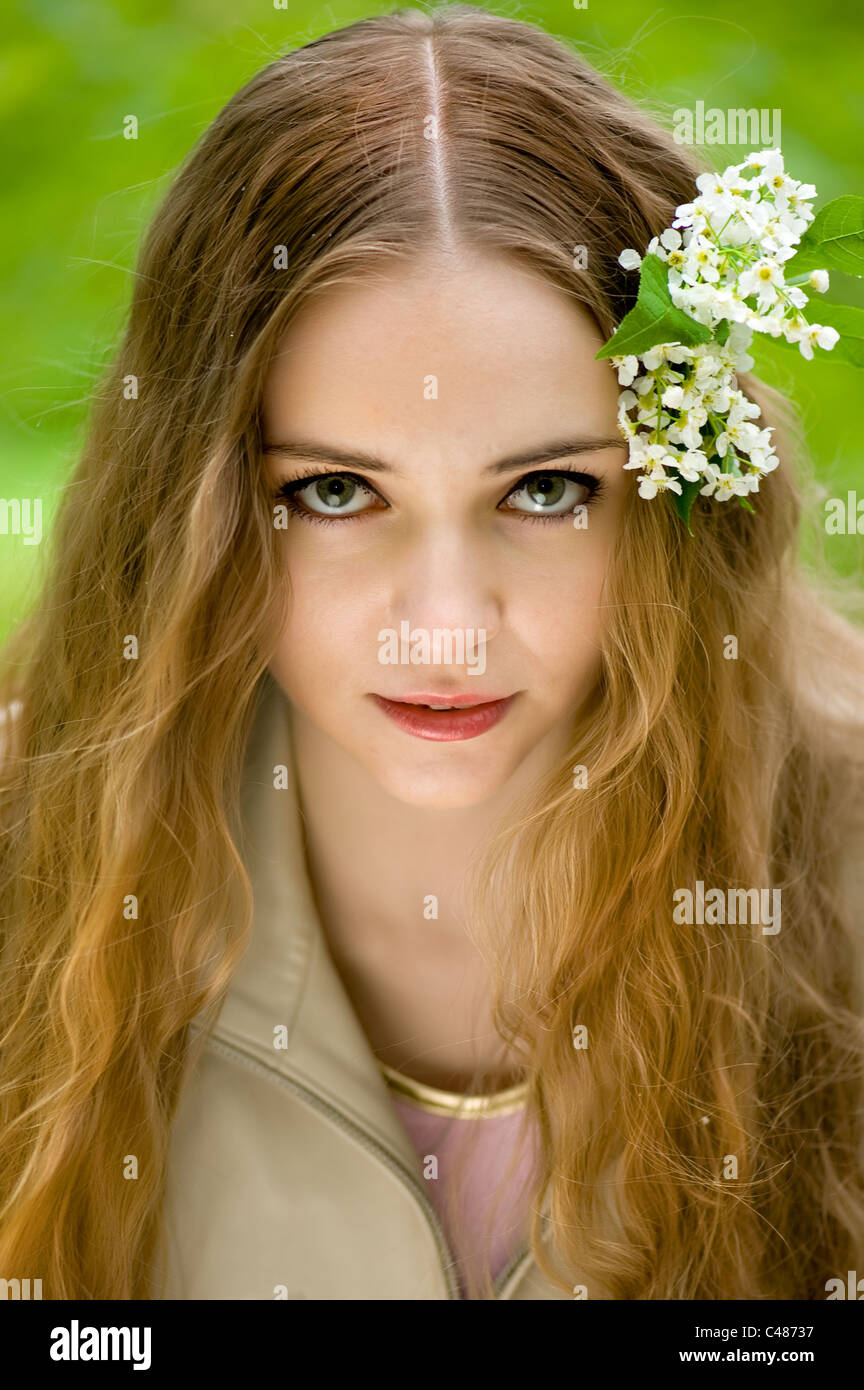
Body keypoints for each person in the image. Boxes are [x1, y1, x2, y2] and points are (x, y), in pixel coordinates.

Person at [1, 3, 862, 1301]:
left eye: (548, 491)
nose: (447, 624)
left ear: (684, 480)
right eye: (338, 492)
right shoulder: (29, 862)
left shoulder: (843, 856)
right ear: (202, 509)